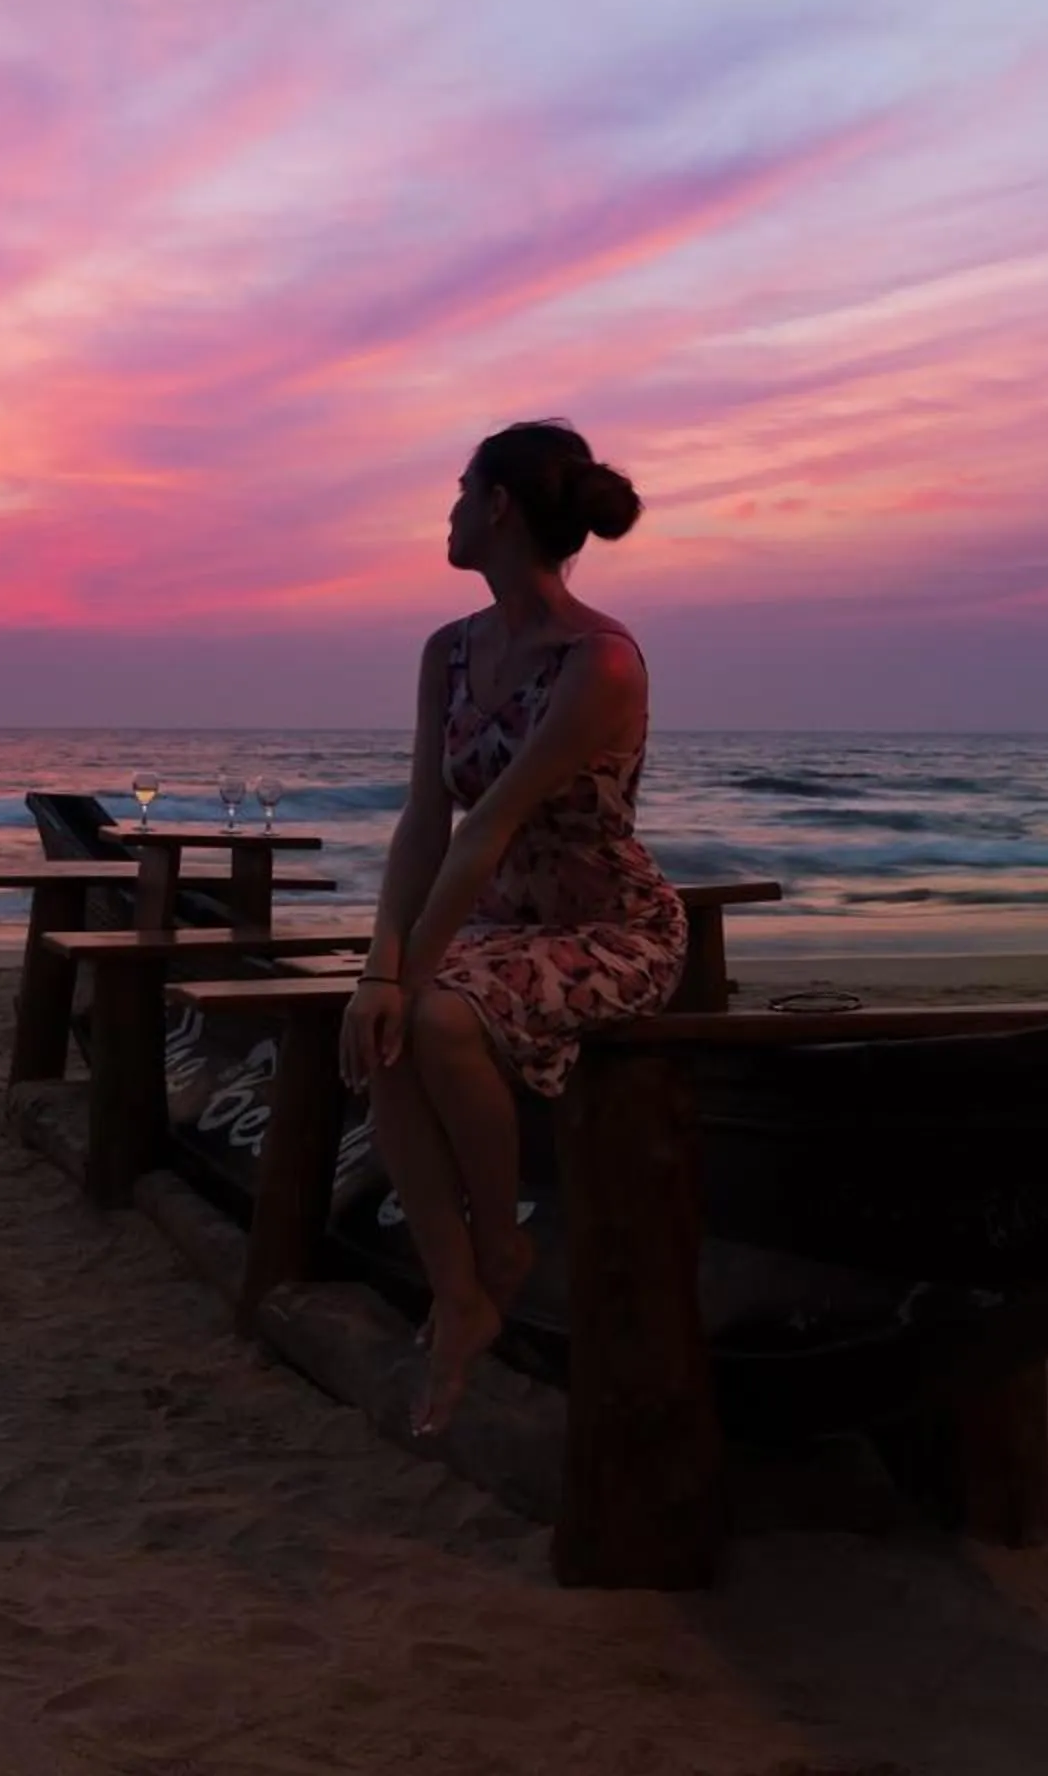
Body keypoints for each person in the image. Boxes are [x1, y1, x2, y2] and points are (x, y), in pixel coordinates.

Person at [338, 418, 688, 1438]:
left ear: (496, 506)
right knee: (386, 1030)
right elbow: (427, 817)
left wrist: (408, 975)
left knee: (434, 1018)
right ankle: (459, 1293)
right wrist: (378, 965)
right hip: (495, 922)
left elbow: (491, 825)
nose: (445, 510)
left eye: (459, 490)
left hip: (608, 926)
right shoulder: (447, 651)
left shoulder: (601, 660)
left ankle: (500, 1247)